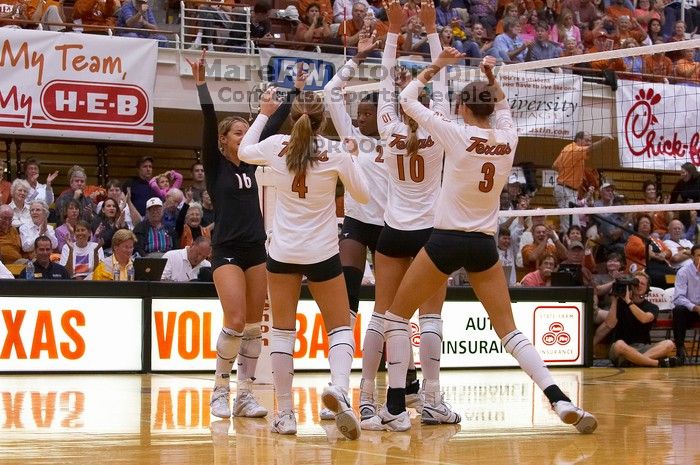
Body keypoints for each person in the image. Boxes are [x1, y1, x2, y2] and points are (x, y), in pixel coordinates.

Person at [384, 45, 597, 434]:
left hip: (444, 241)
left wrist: (435, 67)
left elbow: (405, 99)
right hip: (483, 243)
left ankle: (395, 407)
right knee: (510, 331)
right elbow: (503, 107)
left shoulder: (455, 133)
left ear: (463, 108)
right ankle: (558, 398)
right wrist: (493, 76)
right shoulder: (508, 138)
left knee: (396, 316)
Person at [238, 88, 368, 439]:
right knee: (340, 327)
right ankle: (339, 388)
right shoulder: (335, 152)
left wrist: (264, 113)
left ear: (292, 116)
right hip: (322, 251)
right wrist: (350, 158)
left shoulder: (275, 145)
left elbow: (242, 150)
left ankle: (286, 414)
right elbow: (363, 195)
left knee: (282, 332)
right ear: (323, 119)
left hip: (282, 251)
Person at [187, 50, 305, 422]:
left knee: (254, 326)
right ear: (224, 140)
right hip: (226, 250)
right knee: (235, 318)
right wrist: (202, 84)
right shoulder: (216, 163)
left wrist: (295, 89)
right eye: (238, 132)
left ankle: (245, 395)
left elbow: (270, 126)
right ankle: (219, 391)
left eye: (245, 132)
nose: (244, 136)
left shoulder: (254, 164)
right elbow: (208, 120)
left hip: (257, 249)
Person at [361, 0, 452, 430]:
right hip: (431, 236)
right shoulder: (441, 132)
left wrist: (393, 33)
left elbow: (383, 81)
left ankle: (383, 404)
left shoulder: (386, 125)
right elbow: (446, 87)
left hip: (392, 233)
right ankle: (430, 401)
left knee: (387, 316)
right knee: (430, 318)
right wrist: (433, 31)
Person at [323, 18, 389, 420]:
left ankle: (389, 383)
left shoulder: (398, 141)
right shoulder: (354, 138)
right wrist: (358, 58)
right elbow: (332, 93)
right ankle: (340, 386)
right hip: (357, 223)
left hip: (391, 229)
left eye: (367, 112)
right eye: (359, 112)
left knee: (389, 310)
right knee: (347, 301)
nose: (360, 117)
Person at [606, 271, 678, 367]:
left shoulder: (652, 307)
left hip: (643, 347)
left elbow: (644, 319)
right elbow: (609, 324)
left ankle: (633, 362)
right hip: (623, 349)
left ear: (647, 288)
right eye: (636, 282)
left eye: (642, 283)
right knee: (619, 344)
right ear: (630, 285)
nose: (638, 285)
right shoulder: (620, 303)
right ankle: (656, 363)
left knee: (669, 344)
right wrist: (614, 301)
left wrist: (629, 301)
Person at [552, 131, 612, 232]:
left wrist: (567, 173)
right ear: (578, 140)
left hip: (566, 189)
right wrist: (605, 140)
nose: (589, 142)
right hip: (566, 191)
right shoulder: (576, 150)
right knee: (571, 227)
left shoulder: (567, 148)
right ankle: (569, 246)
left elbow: (554, 166)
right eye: (587, 140)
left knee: (569, 225)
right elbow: (591, 148)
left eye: (590, 140)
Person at [624, 214, 674, 288]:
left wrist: (664, 254)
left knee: (677, 276)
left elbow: (669, 252)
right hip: (646, 268)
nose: (645, 224)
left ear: (651, 227)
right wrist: (658, 256)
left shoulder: (656, 240)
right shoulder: (633, 238)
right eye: (642, 223)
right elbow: (644, 251)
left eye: (647, 223)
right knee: (663, 278)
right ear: (637, 226)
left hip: (662, 266)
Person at [672, 244, 700, 365]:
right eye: (699, 255)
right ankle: (680, 352)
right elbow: (679, 298)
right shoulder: (683, 272)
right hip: (689, 310)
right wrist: (695, 307)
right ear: (693, 257)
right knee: (678, 310)